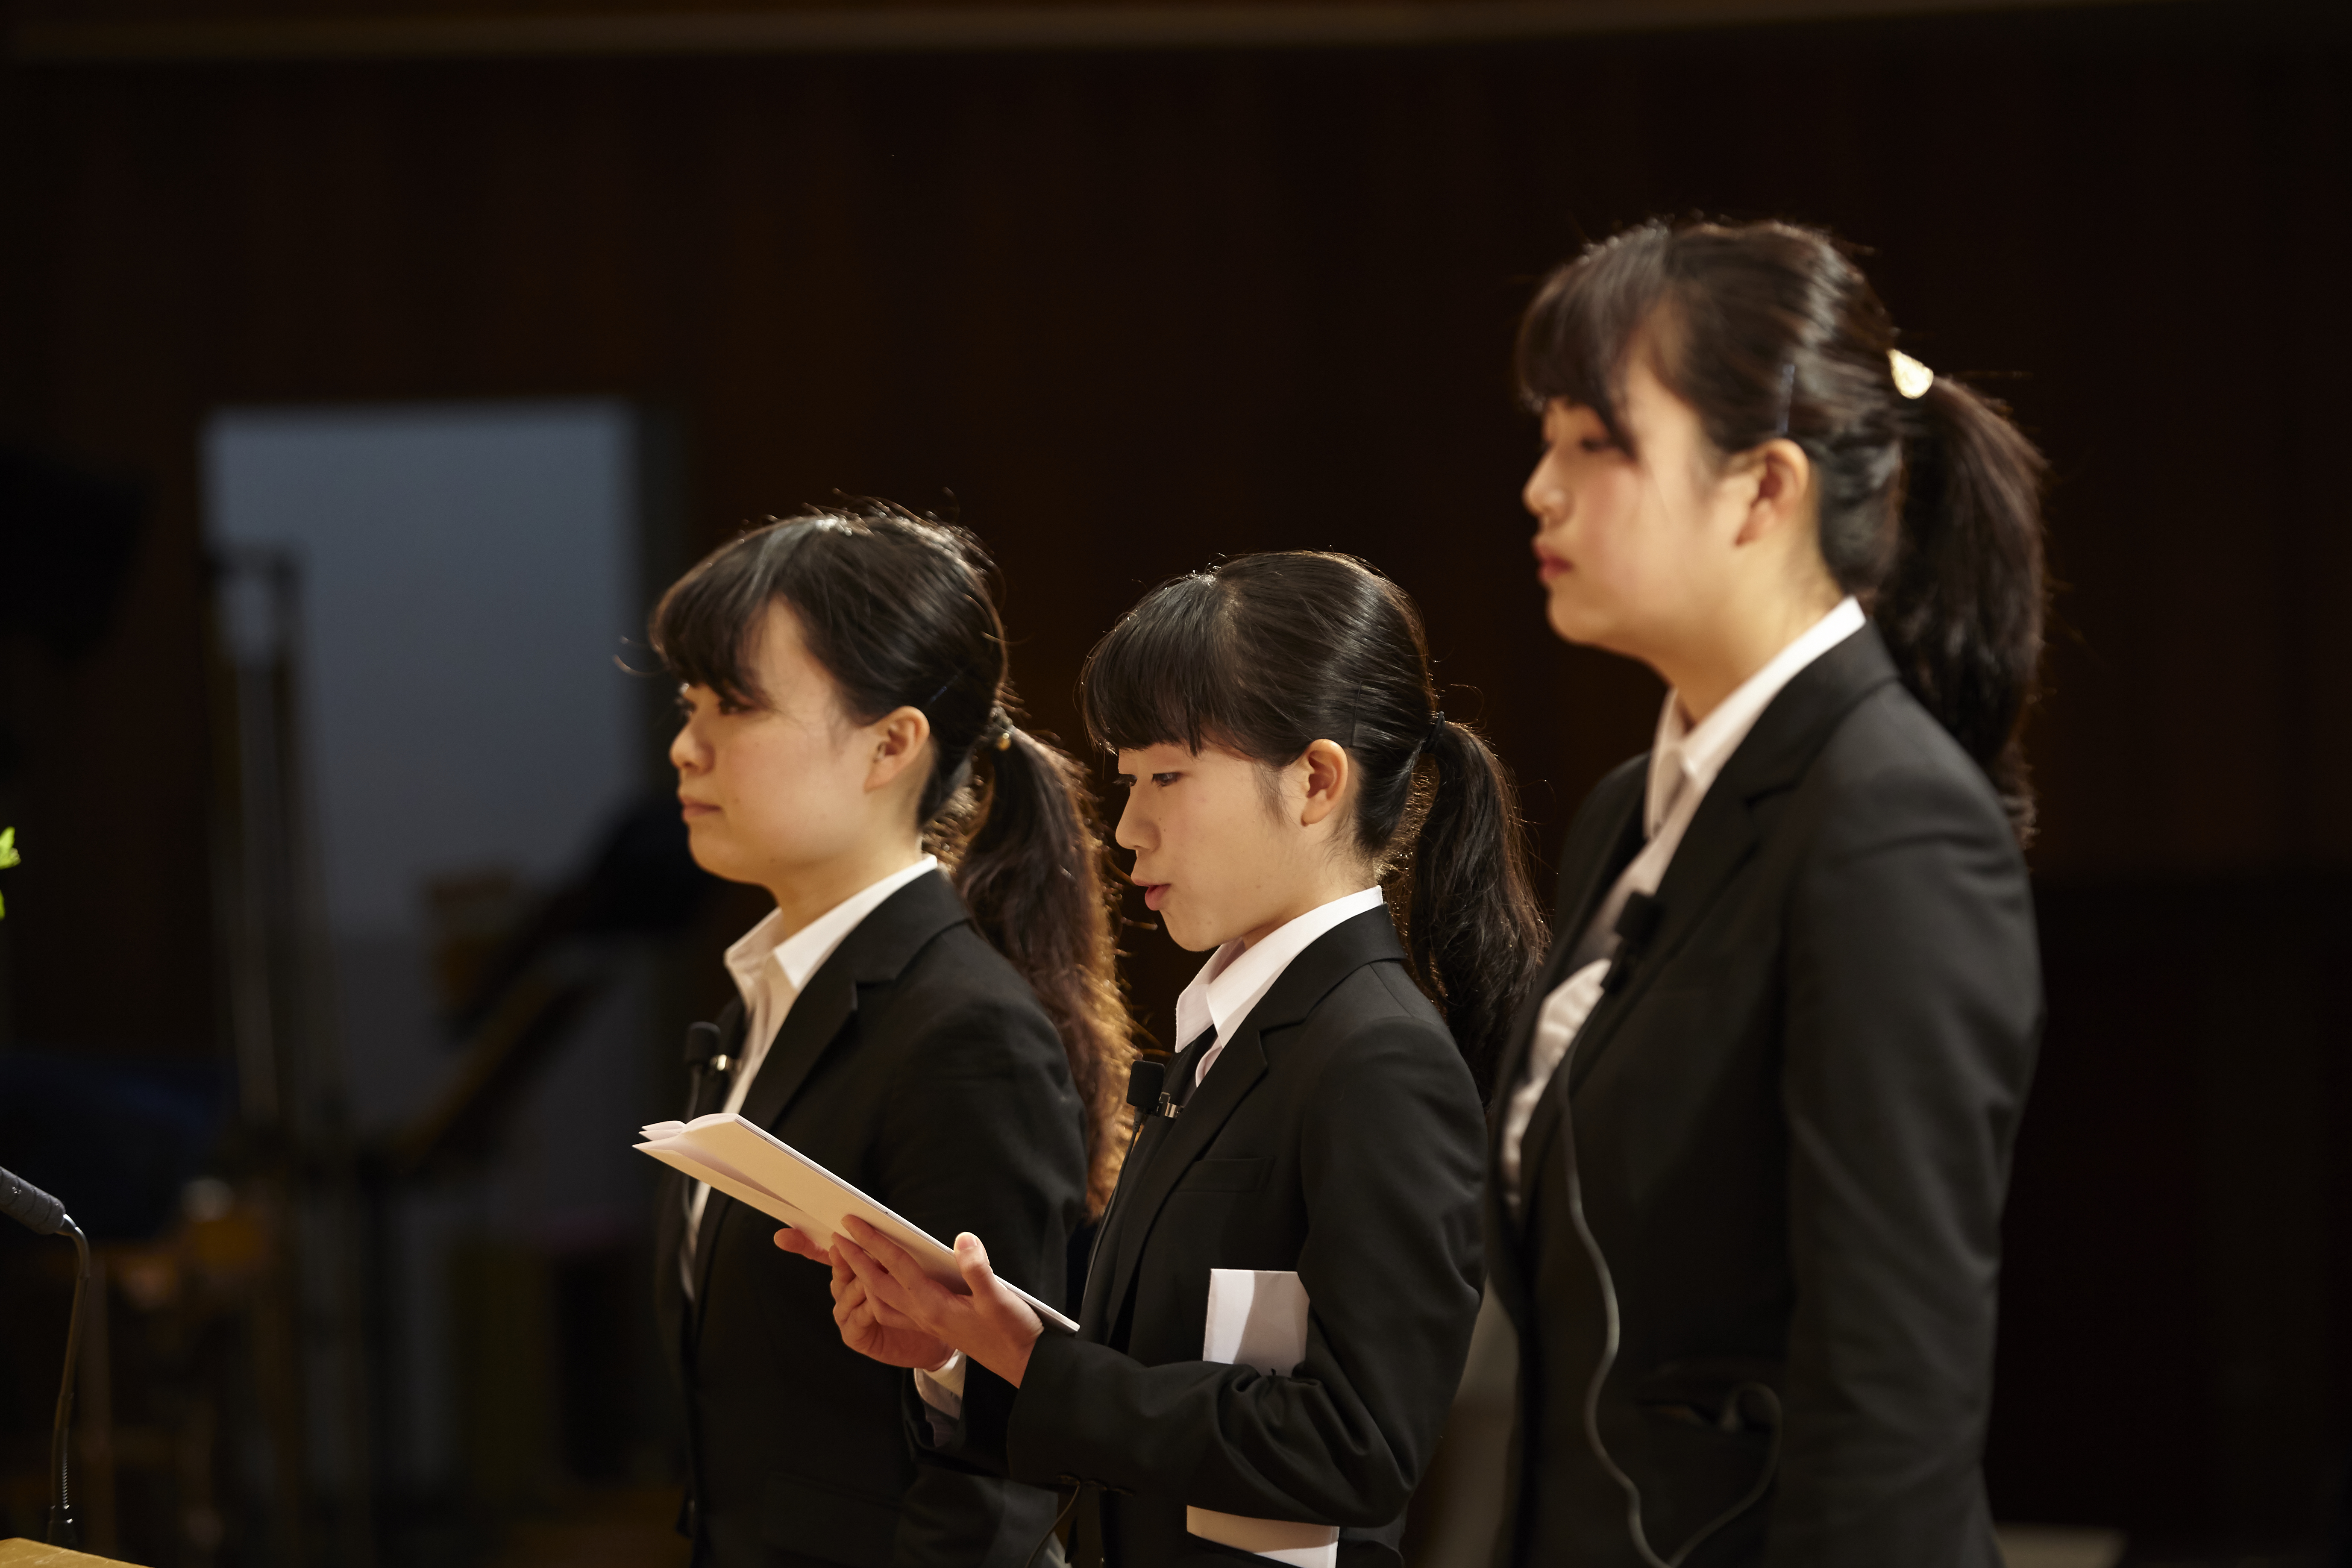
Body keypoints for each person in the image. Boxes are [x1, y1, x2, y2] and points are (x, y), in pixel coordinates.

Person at [781, 551, 1548, 1567]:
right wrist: (964, 1353)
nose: (1130, 827)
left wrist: (1031, 1358)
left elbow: (1355, 1447)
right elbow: (1151, 1382)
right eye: (1126, 778)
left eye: (1167, 777)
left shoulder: (1376, 1055)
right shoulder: (1238, 1032)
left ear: (1315, 779)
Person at [1489, 218, 2047, 1567]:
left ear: (1762, 489)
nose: (1537, 490)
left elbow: (1891, 1398)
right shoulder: (1636, 805)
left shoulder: (1889, 817)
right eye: (1547, 438)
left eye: (1592, 443)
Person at [649, 502, 1131, 1568]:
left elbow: (1001, 1457)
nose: (686, 744)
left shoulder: (965, 1030)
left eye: (733, 703)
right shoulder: (764, 999)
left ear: (891, 743)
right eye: (689, 703)